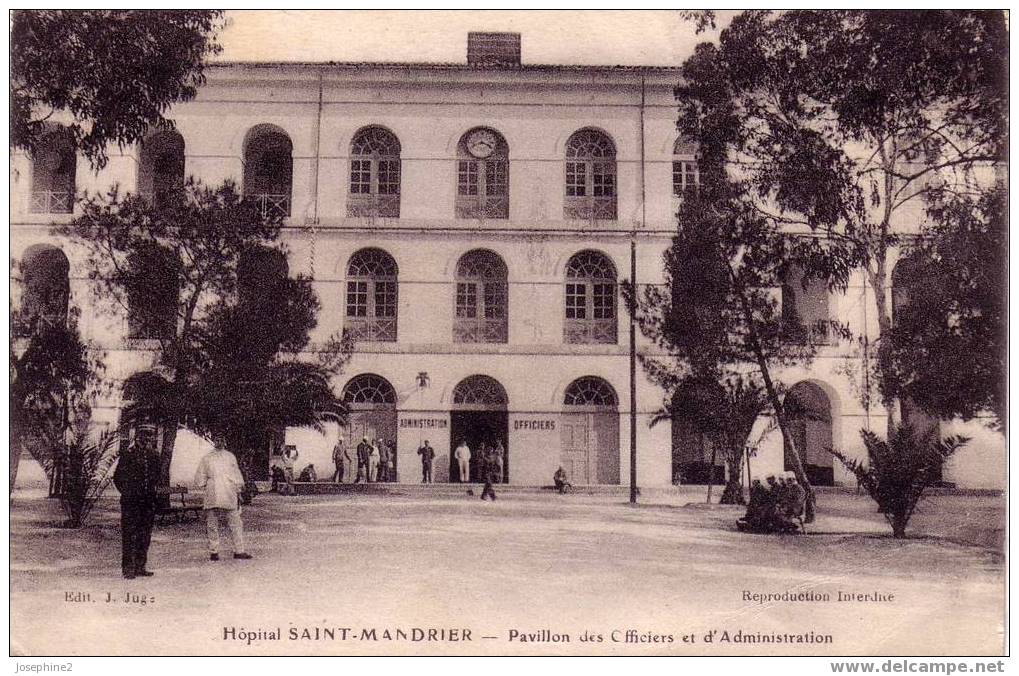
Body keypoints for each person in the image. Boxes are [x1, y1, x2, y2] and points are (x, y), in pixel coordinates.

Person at [113, 425, 161, 579]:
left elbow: (156, 477)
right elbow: (118, 477)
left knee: (144, 534)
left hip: (147, 502)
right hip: (131, 502)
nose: (147, 439)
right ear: (138, 436)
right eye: (144, 435)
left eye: (150, 436)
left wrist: (152, 495)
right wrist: (128, 492)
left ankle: (140, 566)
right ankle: (128, 568)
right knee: (129, 534)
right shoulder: (128, 455)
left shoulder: (153, 455)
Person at [194, 436, 252, 561]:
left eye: (222, 440)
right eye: (217, 440)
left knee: (235, 523)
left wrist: (238, 491)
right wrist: (208, 484)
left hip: (229, 492)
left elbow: (236, 475)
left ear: (225, 442)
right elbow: (200, 477)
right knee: (212, 524)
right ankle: (214, 551)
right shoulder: (207, 458)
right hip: (213, 493)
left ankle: (239, 550)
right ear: (214, 441)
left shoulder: (230, 457)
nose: (219, 442)